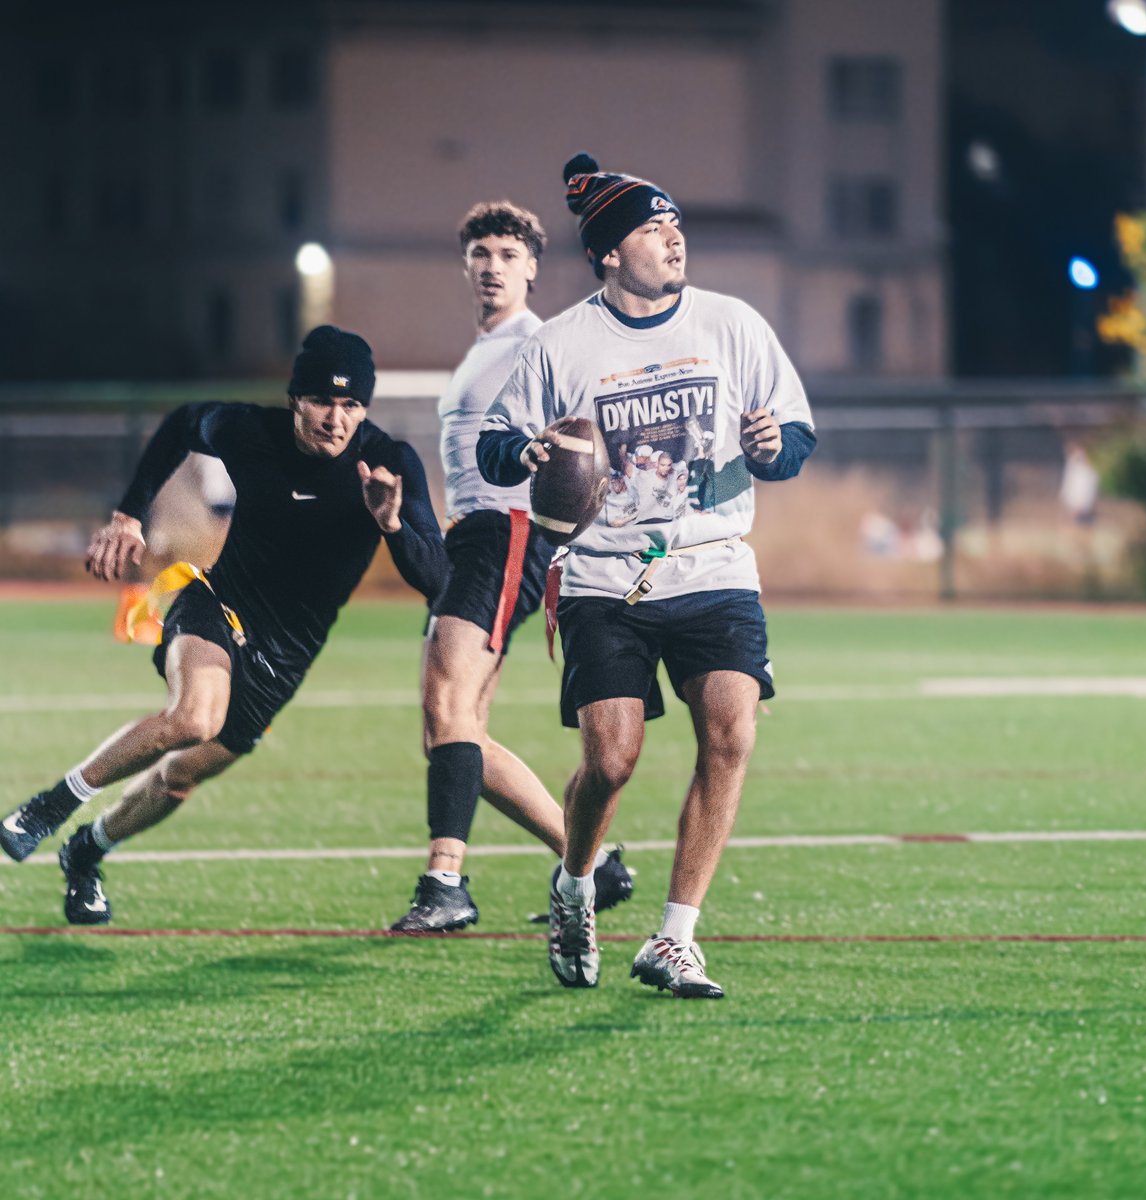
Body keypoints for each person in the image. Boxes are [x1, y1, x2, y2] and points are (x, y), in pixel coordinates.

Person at [477, 153, 817, 998]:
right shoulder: (561, 345)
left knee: (731, 734)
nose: (673, 236)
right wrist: (528, 451)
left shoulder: (732, 324)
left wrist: (776, 448)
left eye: (675, 223)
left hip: (713, 563)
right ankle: (576, 882)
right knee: (613, 761)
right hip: (604, 579)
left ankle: (675, 938)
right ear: (608, 254)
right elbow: (495, 443)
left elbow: (797, 435)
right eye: (651, 226)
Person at [0, 326, 447, 925]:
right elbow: (184, 421)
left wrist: (392, 524)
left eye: (351, 405)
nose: (336, 420)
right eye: (322, 401)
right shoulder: (249, 431)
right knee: (193, 717)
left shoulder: (389, 463)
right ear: (296, 399)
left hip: (284, 657)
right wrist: (130, 513)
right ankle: (46, 808)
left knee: (178, 779)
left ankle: (87, 851)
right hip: (219, 603)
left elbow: (437, 580)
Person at [390, 201, 632, 933]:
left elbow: (596, 433)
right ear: (466, 267)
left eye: (507, 253)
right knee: (456, 728)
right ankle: (594, 864)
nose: (492, 266)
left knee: (446, 708)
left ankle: (445, 884)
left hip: (509, 531)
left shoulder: (541, 342)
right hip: (475, 537)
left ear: (532, 266)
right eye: (481, 255)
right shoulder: (480, 350)